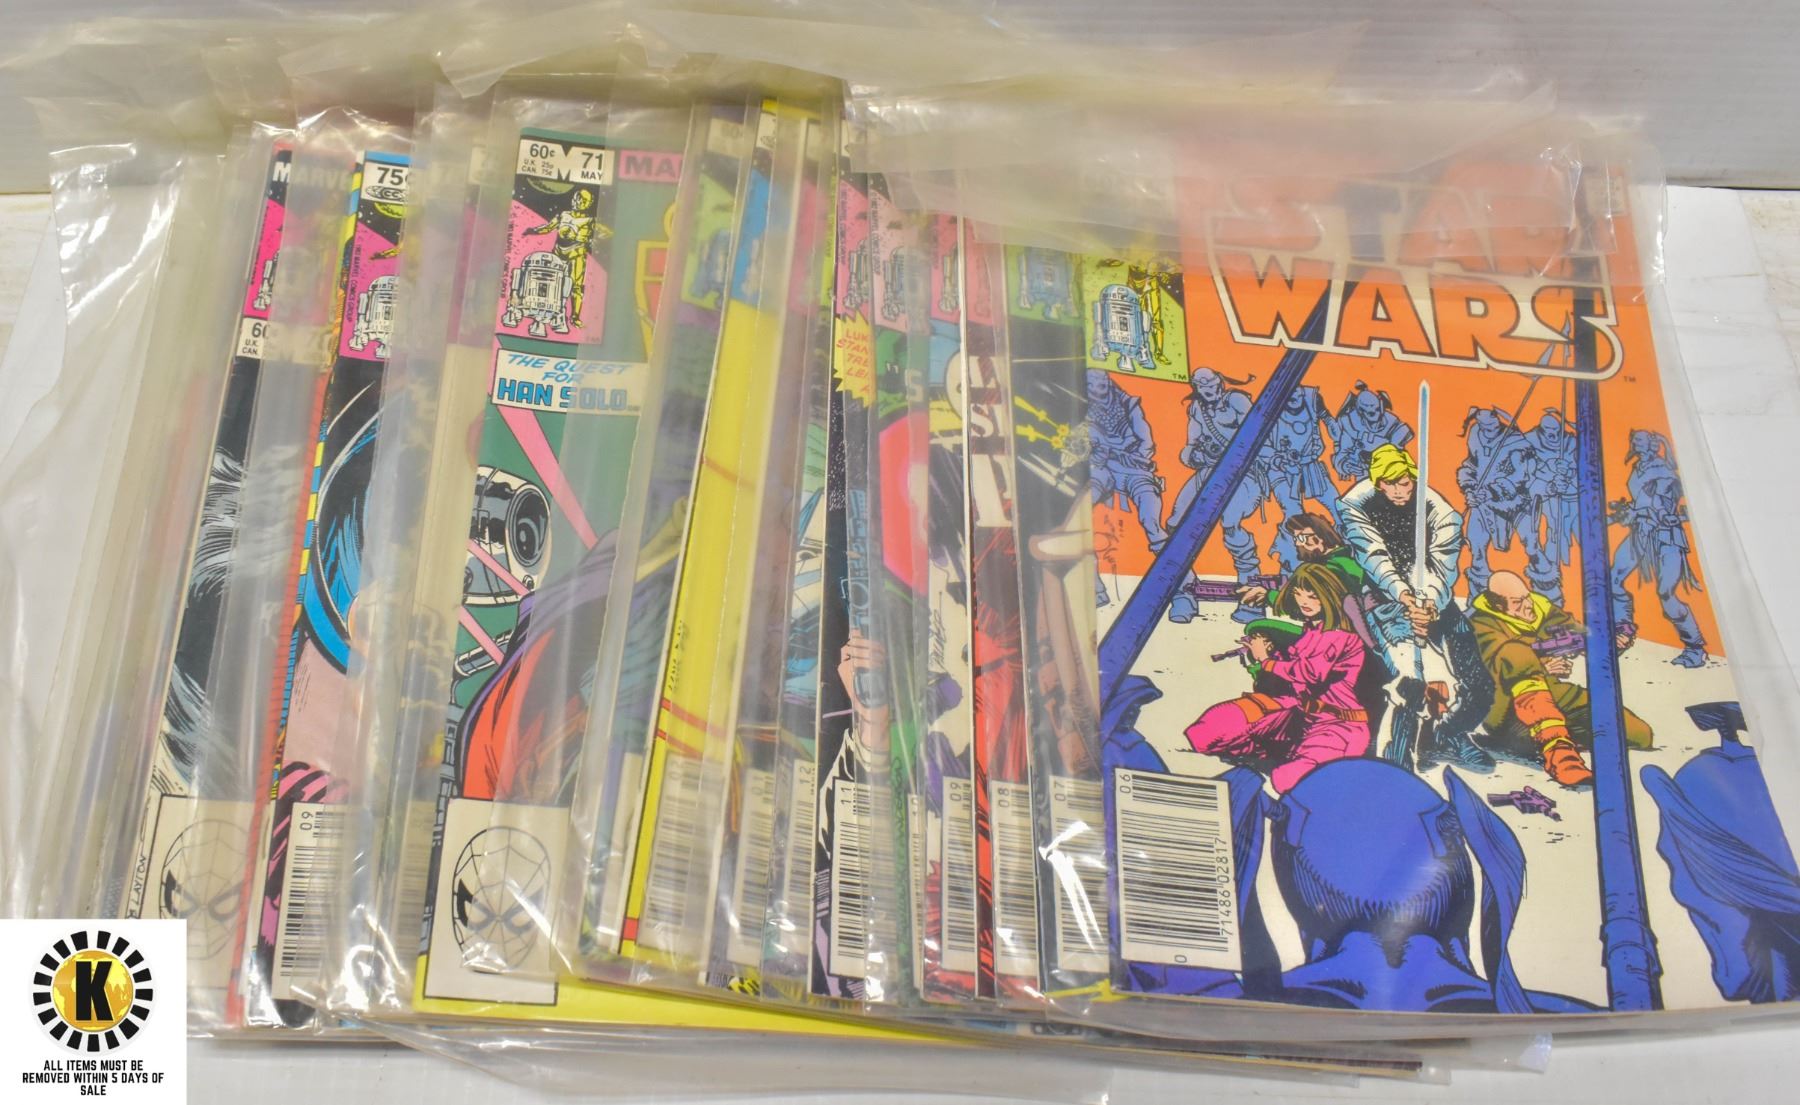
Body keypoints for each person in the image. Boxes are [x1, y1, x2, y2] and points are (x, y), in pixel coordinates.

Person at [1338, 444, 1495, 771]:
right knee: (1411, 682)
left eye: (1404, 482)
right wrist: (1406, 598)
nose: (1399, 490)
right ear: (1378, 483)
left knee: (1477, 683)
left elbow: (1444, 561)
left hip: (1436, 598)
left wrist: (1429, 604)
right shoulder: (1356, 505)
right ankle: (1396, 762)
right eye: (1390, 483)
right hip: (1386, 598)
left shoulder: (1440, 511)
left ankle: (1447, 735)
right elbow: (1373, 555)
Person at [1184, 563, 1371, 792]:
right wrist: (1267, 653)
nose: (1304, 602)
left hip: (1336, 724)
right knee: (1206, 732)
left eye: (1313, 596)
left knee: (1290, 782)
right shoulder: (1311, 630)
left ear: (1328, 596)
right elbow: (1291, 669)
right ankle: (1269, 749)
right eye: (1299, 593)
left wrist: (1266, 660)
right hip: (1296, 714)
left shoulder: (1341, 635)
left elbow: (1310, 674)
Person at [1469, 570, 1650, 787]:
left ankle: (1559, 737)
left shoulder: (1543, 610)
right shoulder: (1481, 625)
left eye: (1526, 597)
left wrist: (1611, 643)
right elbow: (1496, 666)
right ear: (1498, 605)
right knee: (1515, 652)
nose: (1527, 605)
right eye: (1517, 603)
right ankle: (1560, 756)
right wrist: (1541, 666)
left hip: (1554, 693)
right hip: (1506, 707)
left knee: (1637, 733)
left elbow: (1584, 637)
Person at [1166, 367, 1267, 623]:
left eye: (1210, 383)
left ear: (1220, 382)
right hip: (1209, 472)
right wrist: (1197, 456)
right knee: (1174, 525)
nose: (1207, 389)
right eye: (1201, 385)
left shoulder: (1237, 400)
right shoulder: (1197, 409)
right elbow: (1188, 448)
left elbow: (1258, 434)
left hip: (1244, 474)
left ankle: (1251, 598)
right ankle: (1184, 594)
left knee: (1231, 524)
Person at [1609, 429, 1707, 668]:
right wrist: (1625, 513)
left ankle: (1695, 647)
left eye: (1639, 440)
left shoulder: (1663, 471)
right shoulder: (1638, 468)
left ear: (1652, 445)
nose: (1634, 443)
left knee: (1666, 593)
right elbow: (1640, 503)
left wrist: (1640, 513)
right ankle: (1623, 629)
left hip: (1666, 537)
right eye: (1633, 440)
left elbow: (1661, 506)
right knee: (1613, 578)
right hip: (1641, 532)